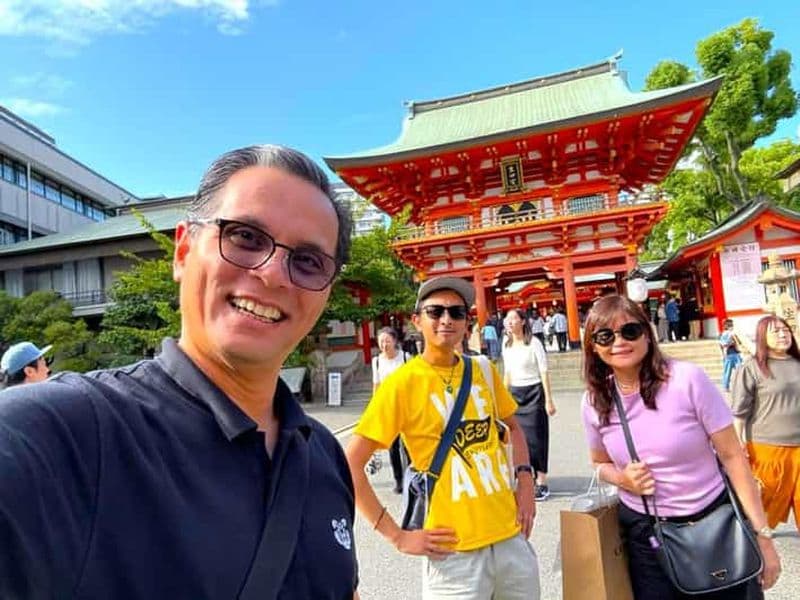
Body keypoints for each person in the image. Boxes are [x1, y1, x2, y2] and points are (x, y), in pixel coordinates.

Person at [0, 145, 359, 599]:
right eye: (245, 237)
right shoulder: (64, 436)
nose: (273, 274)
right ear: (184, 251)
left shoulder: (322, 454)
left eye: (308, 261)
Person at [346, 276, 541, 600]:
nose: (446, 320)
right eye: (435, 312)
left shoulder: (483, 370)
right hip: (452, 553)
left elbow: (514, 428)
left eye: (457, 312)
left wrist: (525, 483)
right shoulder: (402, 384)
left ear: (467, 323)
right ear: (416, 321)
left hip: (510, 540)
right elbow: (351, 464)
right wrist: (397, 536)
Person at [580, 295, 780, 599]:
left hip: (716, 522)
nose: (618, 342)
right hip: (649, 534)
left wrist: (763, 536)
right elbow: (598, 463)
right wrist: (623, 479)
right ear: (593, 346)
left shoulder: (687, 379)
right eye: (605, 336)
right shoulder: (595, 402)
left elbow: (732, 456)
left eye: (630, 331)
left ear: (647, 333)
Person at [731, 315, 800, 535]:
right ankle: (755, 530)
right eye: (776, 332)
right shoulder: (752, 368)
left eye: (786, 330)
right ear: (762, 337)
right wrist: (737, 445)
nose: (783, 335)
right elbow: (739, 412)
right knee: (766, 498)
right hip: (767, 447)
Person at [502, 309, 556, 501]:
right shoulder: (506, 345)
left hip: (534, 392)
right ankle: (526, 477)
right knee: (519, 438)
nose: (509, 322)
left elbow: (544, 371)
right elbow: (507, 373)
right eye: (507, 319)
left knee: (537, 437)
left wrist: (549, 399)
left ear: (523, 322)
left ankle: (542, 480)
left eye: (513, 318)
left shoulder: (534, 343)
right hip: (515, 394)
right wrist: (501, 397)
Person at [372, 326, 411, 493]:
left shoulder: (406, 358)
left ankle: (412, 478)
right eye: (381, 341)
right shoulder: (377, 361)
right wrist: (375, 408)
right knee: (393, 447)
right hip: (389, 408)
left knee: (409, 446)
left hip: (407, 407)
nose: (384, 344)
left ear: (395, 341)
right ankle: (399, 480)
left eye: (387, 340)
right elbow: (377, 385)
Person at [719, 318, 743, 392]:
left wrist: (736, 339)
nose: (731, 326)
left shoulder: (733, 333)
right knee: (727, 372)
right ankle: (725, 386)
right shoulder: (723, 334)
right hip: (729, 355)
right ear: (725, 326)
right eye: (729, 325)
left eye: (731, 325)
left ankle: (741, 386)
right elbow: (723, 344)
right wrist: (730, 342)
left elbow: (739, 342)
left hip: (736, 353)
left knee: (740, 371)